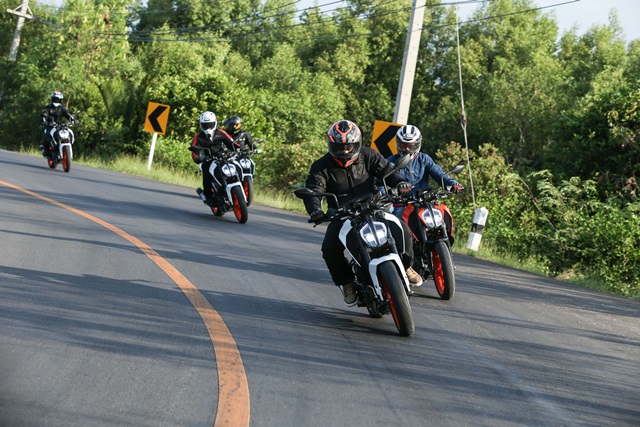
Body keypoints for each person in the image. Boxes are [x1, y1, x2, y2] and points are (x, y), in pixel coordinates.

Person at [302, 120, 423, 306]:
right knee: (329, 248)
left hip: (373, 207)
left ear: (356, 143)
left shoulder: (368, 155)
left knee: (403, 230)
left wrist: (400, 183)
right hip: (343, 215)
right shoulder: (321, 166)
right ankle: (347, 283)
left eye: (348, 146)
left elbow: (387, 170)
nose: (344, 151)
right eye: (339, 146)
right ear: (331, 144)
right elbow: (314, 191)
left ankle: (405, 266)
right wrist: (316, 210)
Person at [388, 124, 464, 243]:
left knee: (442, 214)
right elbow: (381, 181)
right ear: (398, 143)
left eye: (410, 146)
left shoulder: (424, 159)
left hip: (424, 201)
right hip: (402, 204)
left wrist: (453, 184)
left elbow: (439, 175)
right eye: (403, 145)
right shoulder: (391, 162)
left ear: (417, 144)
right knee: (399, 228)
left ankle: (446, 238)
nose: (406, 149)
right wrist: (385, 194)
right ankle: (404, 252)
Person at [190, 111, 236, 206]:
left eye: (210, 125)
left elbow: (232, 143)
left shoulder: (221, 133)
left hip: (222, 157)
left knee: (235, 165)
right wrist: (198, 158)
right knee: (206, 171)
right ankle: (207, 195)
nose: (208, 128)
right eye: (205, 125)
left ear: (215, 123)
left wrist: (239, 149)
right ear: (201, 125)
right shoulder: (198, 136)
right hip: (207, 159)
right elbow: (194, 150)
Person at [40, 91, 74, 156]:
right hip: (50, 125)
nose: (56, 101)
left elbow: (67, 114)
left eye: (58, 99)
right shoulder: (48, 107)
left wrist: (72, 119)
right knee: (47, 137)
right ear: (52, 99)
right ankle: (45, 150)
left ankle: (67, 148)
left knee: (69, 133)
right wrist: (45, 121)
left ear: (61, 100)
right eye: (55, 99)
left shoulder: (62, 108)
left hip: (60, 125)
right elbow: (44, 115)